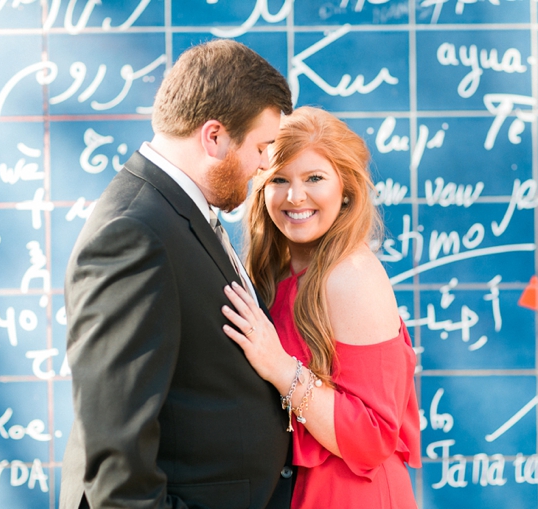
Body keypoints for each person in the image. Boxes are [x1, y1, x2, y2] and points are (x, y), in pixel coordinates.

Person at [60, 39, 295, 509]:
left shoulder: (178, 210)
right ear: (214, 136)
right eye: (262, 146)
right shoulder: (134, 233)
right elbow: (118, 456)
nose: (266, 164)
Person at [220, 107, 421, 509]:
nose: (295, 196)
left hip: (352, 495)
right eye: (279, 179)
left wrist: (278, 367)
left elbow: (373, 436)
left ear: (344, 187)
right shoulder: (277, 271)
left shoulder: (352, 276)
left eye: (314, 178)